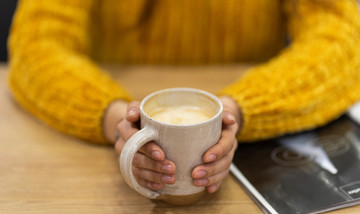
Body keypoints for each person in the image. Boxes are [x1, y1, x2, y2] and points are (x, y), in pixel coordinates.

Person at [7, 0, 360, 194]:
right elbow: (36, 44)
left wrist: (237, 111)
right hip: (81, 165)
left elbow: (343, 43)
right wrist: (117, 119)